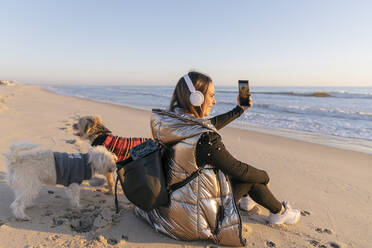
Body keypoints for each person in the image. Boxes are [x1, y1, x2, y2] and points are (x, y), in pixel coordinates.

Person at [136, 71, 300, 247]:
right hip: (190, 220)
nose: (214, 101)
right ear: (196, 98)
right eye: (212, 96)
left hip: (169, 209)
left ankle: (247, 201)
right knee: (251, 179)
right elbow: (239, 170)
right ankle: (280, 213)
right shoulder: (205, 139)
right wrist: (265, 176)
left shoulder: (171, 122)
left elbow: (207, 125)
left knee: (235, 173)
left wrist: (239, 110)